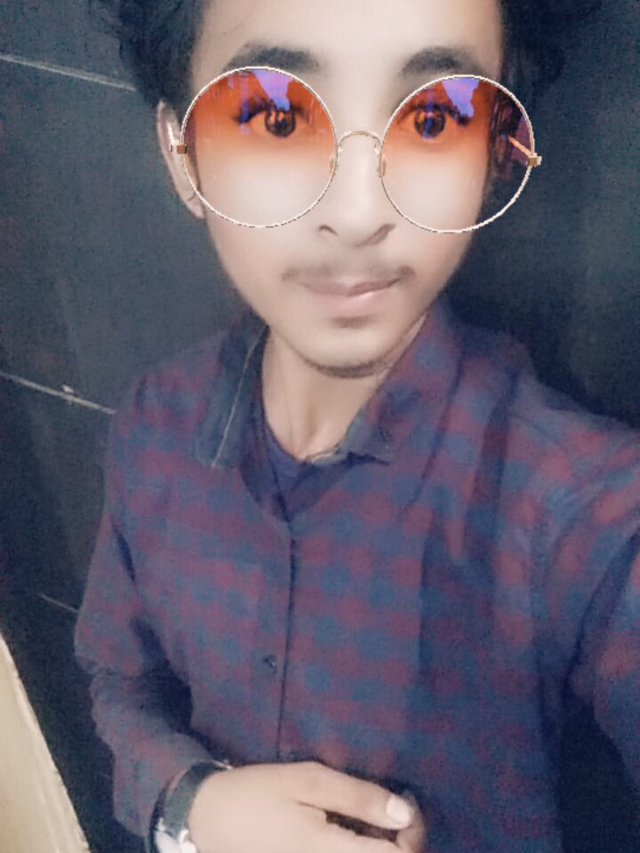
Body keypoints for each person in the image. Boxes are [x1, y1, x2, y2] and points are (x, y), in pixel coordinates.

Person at [75, 1, 639, 851]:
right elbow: (118, 676)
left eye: (435, 117)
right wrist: (190, 805)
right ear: (181, 156)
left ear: (493, 149)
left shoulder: (574, 506)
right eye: (275, 117)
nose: (360, 211)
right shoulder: (157, 425)